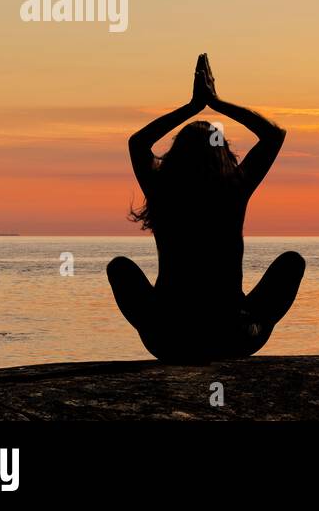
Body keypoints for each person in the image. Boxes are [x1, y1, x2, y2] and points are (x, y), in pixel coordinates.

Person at [107, 53, 304, 363]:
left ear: (175, 156)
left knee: (119, 267)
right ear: (224, 154)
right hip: (230, 337)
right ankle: (251, 326)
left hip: (170, 339)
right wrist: (217, 102)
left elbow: (137, 143)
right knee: (292, 263)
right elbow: (273, 135)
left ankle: (175, 328)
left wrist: (192, 107)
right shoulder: (235, 187)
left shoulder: (163, 189)